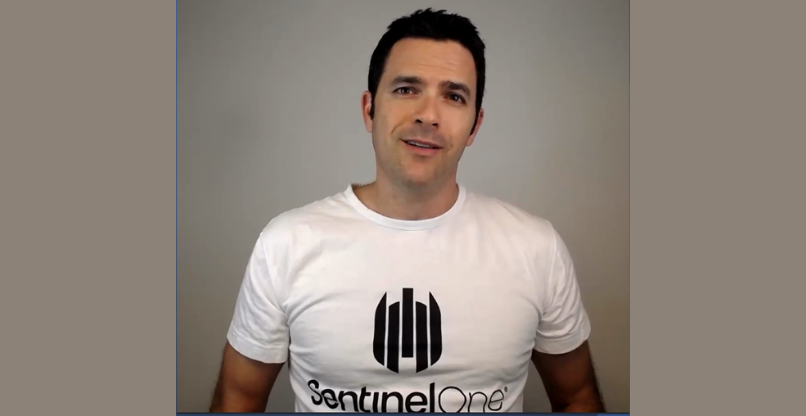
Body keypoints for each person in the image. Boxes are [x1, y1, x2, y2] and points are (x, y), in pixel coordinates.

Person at [209, 8, 605, 413]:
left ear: (475, 125)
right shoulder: (286, 244)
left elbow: (577, 399)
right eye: (406, 89)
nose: (428, 115)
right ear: (369, 109)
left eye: (454, 96)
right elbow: (237, 402)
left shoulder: (536, 249)